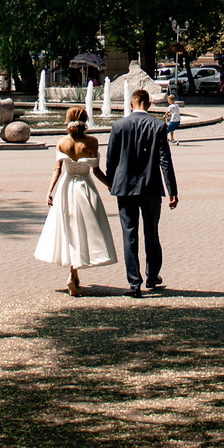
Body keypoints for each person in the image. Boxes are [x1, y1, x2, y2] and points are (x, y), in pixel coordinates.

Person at [101, 88, 180, 297]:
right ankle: (152, 276)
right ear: (149, 105)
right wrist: (172, 189)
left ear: (131, 104)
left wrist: (110, 182)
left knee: (129, 234)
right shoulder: (158, 126)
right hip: (151, 186)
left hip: (125, 187)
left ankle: (134, 284)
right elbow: (165, 160)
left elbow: (111, 159)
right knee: (151, 233)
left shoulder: (118, 126)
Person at [34, 105, 117, 297]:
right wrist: (110, 184)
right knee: (83, 230)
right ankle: (73, 274)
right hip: (85, 188)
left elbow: (57, 170)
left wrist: (49, 190)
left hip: (66, 186)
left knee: (68, 230)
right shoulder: (92, 142)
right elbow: (96, 171)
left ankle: (73, 272)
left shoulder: (62, 142)